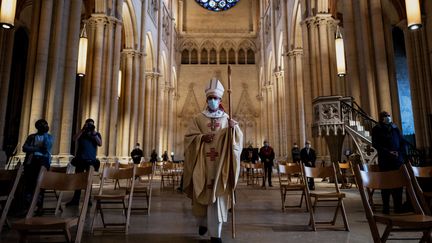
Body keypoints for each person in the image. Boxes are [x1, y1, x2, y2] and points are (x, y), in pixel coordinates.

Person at [183, 78, 243, 243]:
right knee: (201, 192)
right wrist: (201, 138)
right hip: (202, 163)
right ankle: (202, 223)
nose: (212, 101)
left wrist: (234, 129)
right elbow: (189, 138)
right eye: (210, 98)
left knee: (218, 196)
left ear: (220, 100)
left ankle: (215, 234)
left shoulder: (226, 119)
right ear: (206, 100)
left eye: (215, 98)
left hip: (220, 165)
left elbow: (236, 142)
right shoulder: (198, 118)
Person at [372, 111, 406, 214]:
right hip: (385, 160)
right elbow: (376, 144)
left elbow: (402, 141)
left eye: (388, 116)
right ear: (381, 118)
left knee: (398, 185)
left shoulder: (395, 128)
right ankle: (386, 207)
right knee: (386, 185)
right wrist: (388, 152)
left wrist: (400, 152)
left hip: (397, 160)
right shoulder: (377, 129)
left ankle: (398, 207)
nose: (387, 117)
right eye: (385, 116)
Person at [67, 118, 102, 206]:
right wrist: (82, 130)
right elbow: (74, 139)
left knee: (89, 181)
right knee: (78, 180)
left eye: (91, 124)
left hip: (90, 160)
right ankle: (75, 199)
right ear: (85, 124)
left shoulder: (96, 134)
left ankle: (88, 199)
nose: (89, 126)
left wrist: (94, 133)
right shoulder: (81, 134)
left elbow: (100, 143)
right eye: (88, 124)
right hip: (80, 160)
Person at [22, 119, 53, 211]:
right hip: (31, 161)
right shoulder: (32, 136)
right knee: (29, 182)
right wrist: (37, 148)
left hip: (43, 161)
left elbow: (47, 147)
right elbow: (25, 148)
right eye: (42, 125)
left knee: (40, 183)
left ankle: (39, 205)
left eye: (45, 125)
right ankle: (28, 204)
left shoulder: (49, 137)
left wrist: (45, 135)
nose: (43, 126)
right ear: (37, 126)